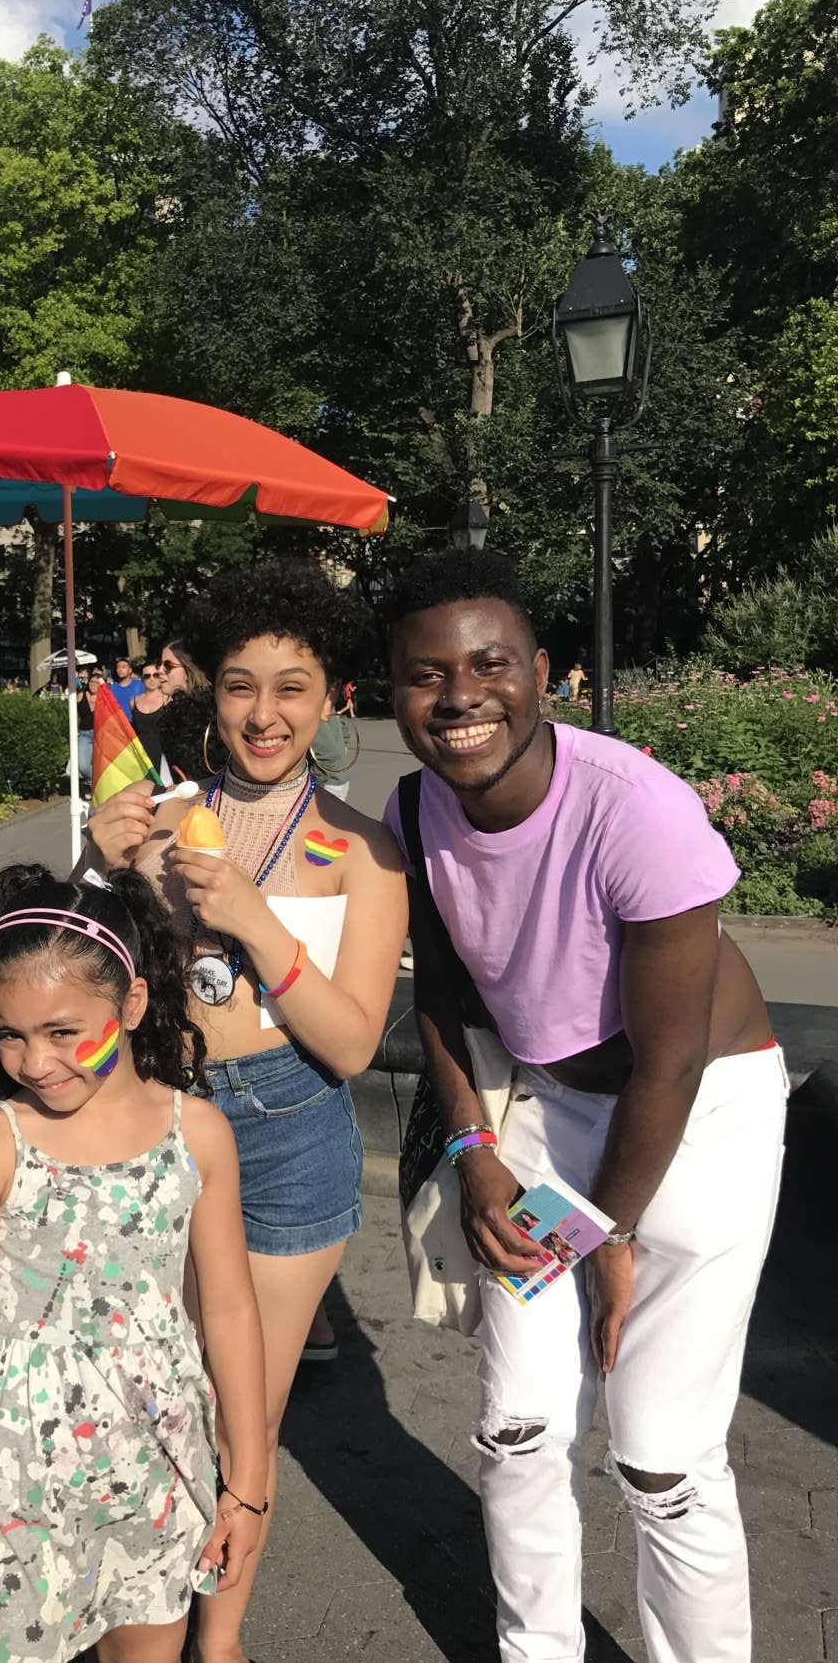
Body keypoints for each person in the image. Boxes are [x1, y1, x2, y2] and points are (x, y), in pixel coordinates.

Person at [385, 548, 785, 1663]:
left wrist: (600, 1234)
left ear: (542, 673)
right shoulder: (416, 807)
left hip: (699, 1114)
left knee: (657, 1455)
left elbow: (666, 1067)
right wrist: (473, 1151)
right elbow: (445, 999)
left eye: (489, 663)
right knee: (516, 1428)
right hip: (542, 1108)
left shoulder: (636, 812)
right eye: (425, 675)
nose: (460, 696)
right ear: (392, 695)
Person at [87, 560, 408, 1663]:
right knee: (138, 1394)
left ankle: (214, 1640)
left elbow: (355, 1039)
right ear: (206, 695)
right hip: (156, 1122)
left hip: (287, 1135)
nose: (262, 714)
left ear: (330, 701)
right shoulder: (163, 820)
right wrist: (99, 867)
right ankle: (136, 1615)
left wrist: (257, 925)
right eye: (238, 685)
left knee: (238, 1414)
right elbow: (87, 986)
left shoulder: (363, 847)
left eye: (291, 687)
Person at [0, 865, 268, 1663]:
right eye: (11, 1033)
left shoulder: (199, 1134)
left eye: (64, 1030)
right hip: (12, 1496)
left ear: (132, 1004)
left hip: (156, 1473)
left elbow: (231, 1311)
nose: (37, 1061)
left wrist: (246, 1482)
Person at [131, 660, 168, 772]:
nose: (151, 679)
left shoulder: (168, 699)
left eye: (155, 675)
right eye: (147, 676)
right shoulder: (133, 701)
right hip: (141, 756)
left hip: (163, 756)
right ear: (142, 679)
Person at [76, 666, 107, 787]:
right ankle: (93, 783)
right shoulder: (81, 695)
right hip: (84, 734)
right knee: (83, 766)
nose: (92, 684)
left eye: (96, 682)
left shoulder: (104, 698)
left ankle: (98, 788)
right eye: (91, 681)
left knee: (101, 765)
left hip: (100, 734)